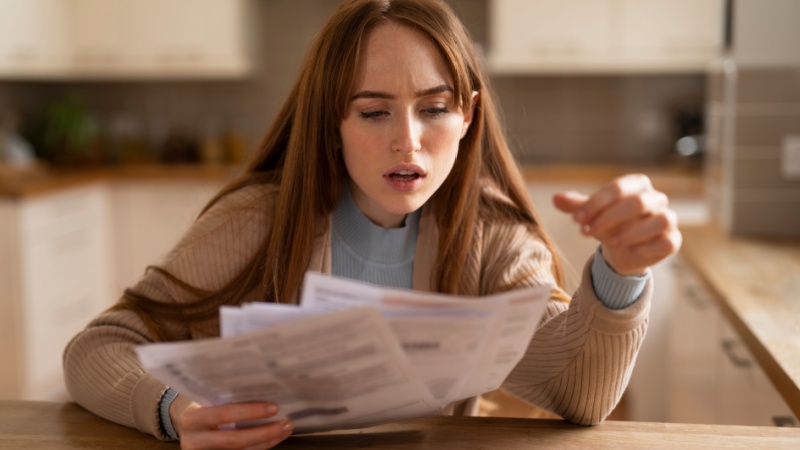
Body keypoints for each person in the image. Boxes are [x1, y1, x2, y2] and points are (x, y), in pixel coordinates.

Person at [63, 0, 681, 448]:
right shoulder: (259, 220)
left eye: (434, 109)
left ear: (467, 116)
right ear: (333, 121)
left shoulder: (494, 236)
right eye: (373, 112)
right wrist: (175, 409)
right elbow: (97, 348)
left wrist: (622, 273)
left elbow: (579, 393)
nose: (407, 142)